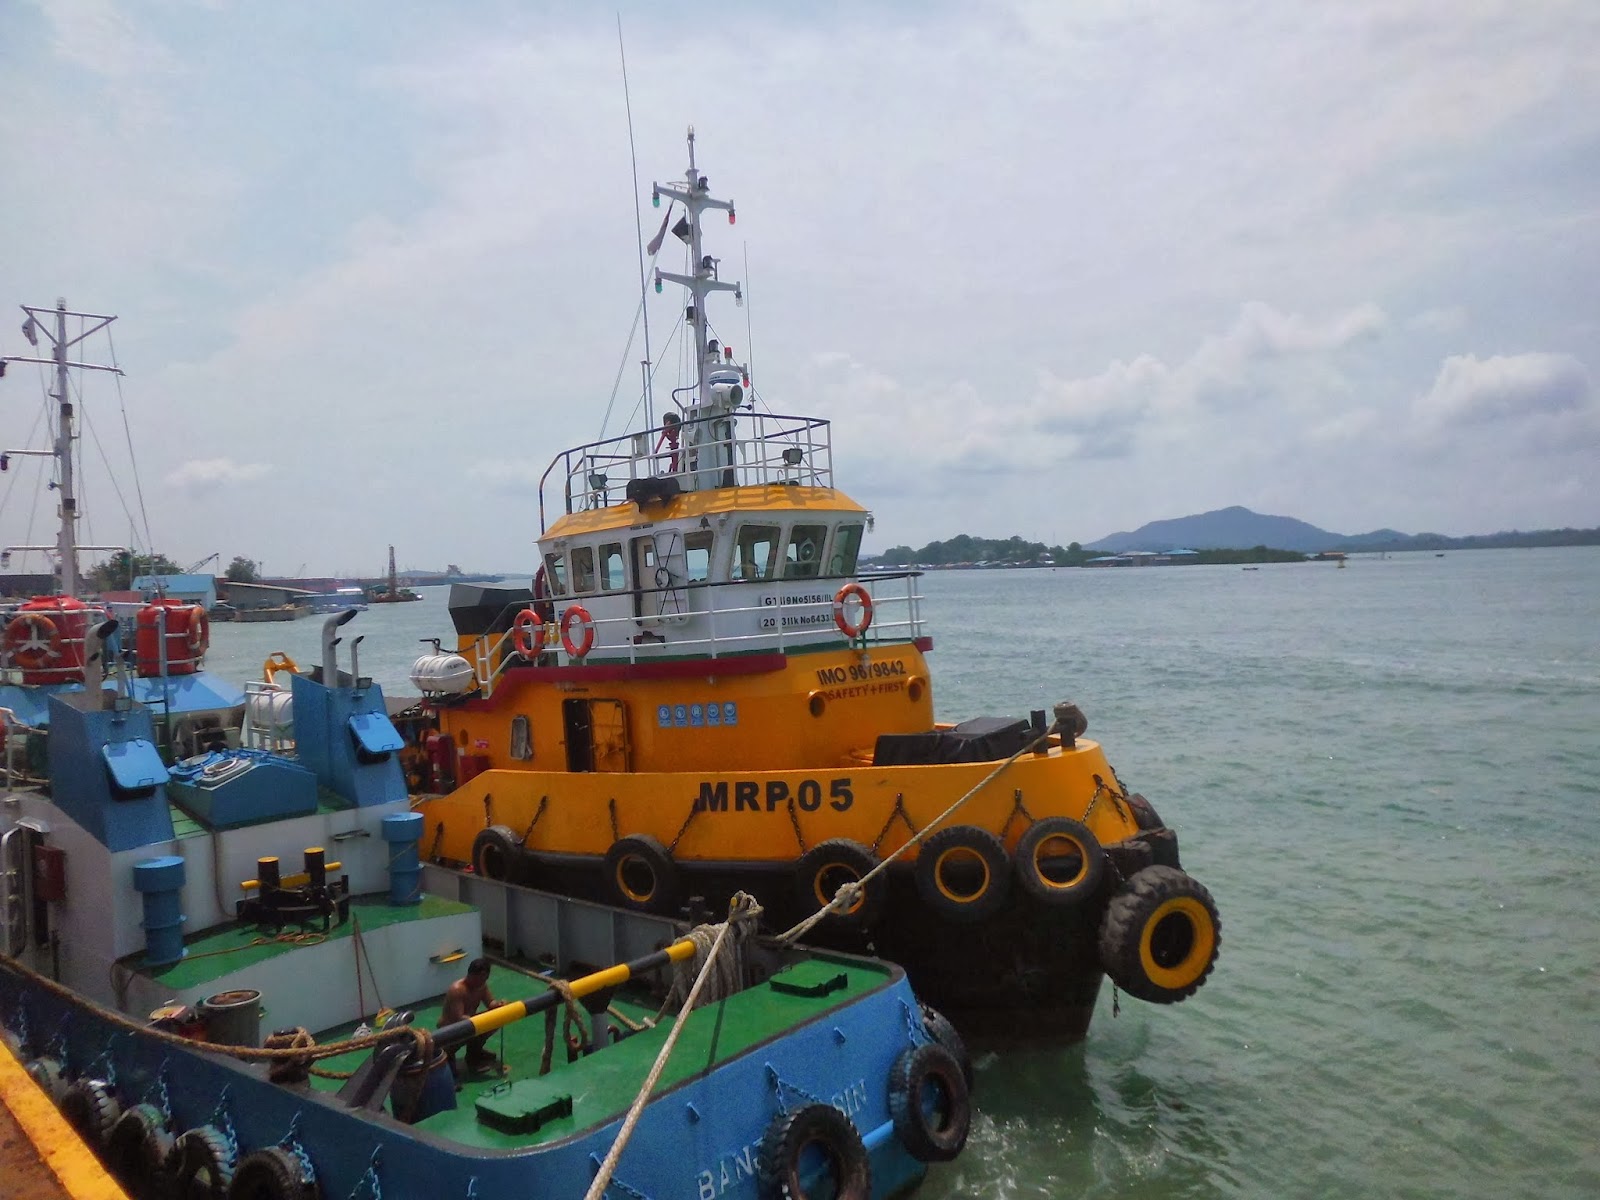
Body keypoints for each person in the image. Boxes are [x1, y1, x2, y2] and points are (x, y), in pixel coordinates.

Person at [437, 957, 505, 1077]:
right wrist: (479, 1023)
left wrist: (499, 1005)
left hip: (470, 1022)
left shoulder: (481, 986)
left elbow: (490, 1003)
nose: (482, 982)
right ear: (471, 975)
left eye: (485, 979)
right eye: (480, 978)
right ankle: (449, 1056)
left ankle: (474, 1053)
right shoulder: (457, 989)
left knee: (496, 1019)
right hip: (451, 1028)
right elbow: (458, 1018)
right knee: (452, 1074)